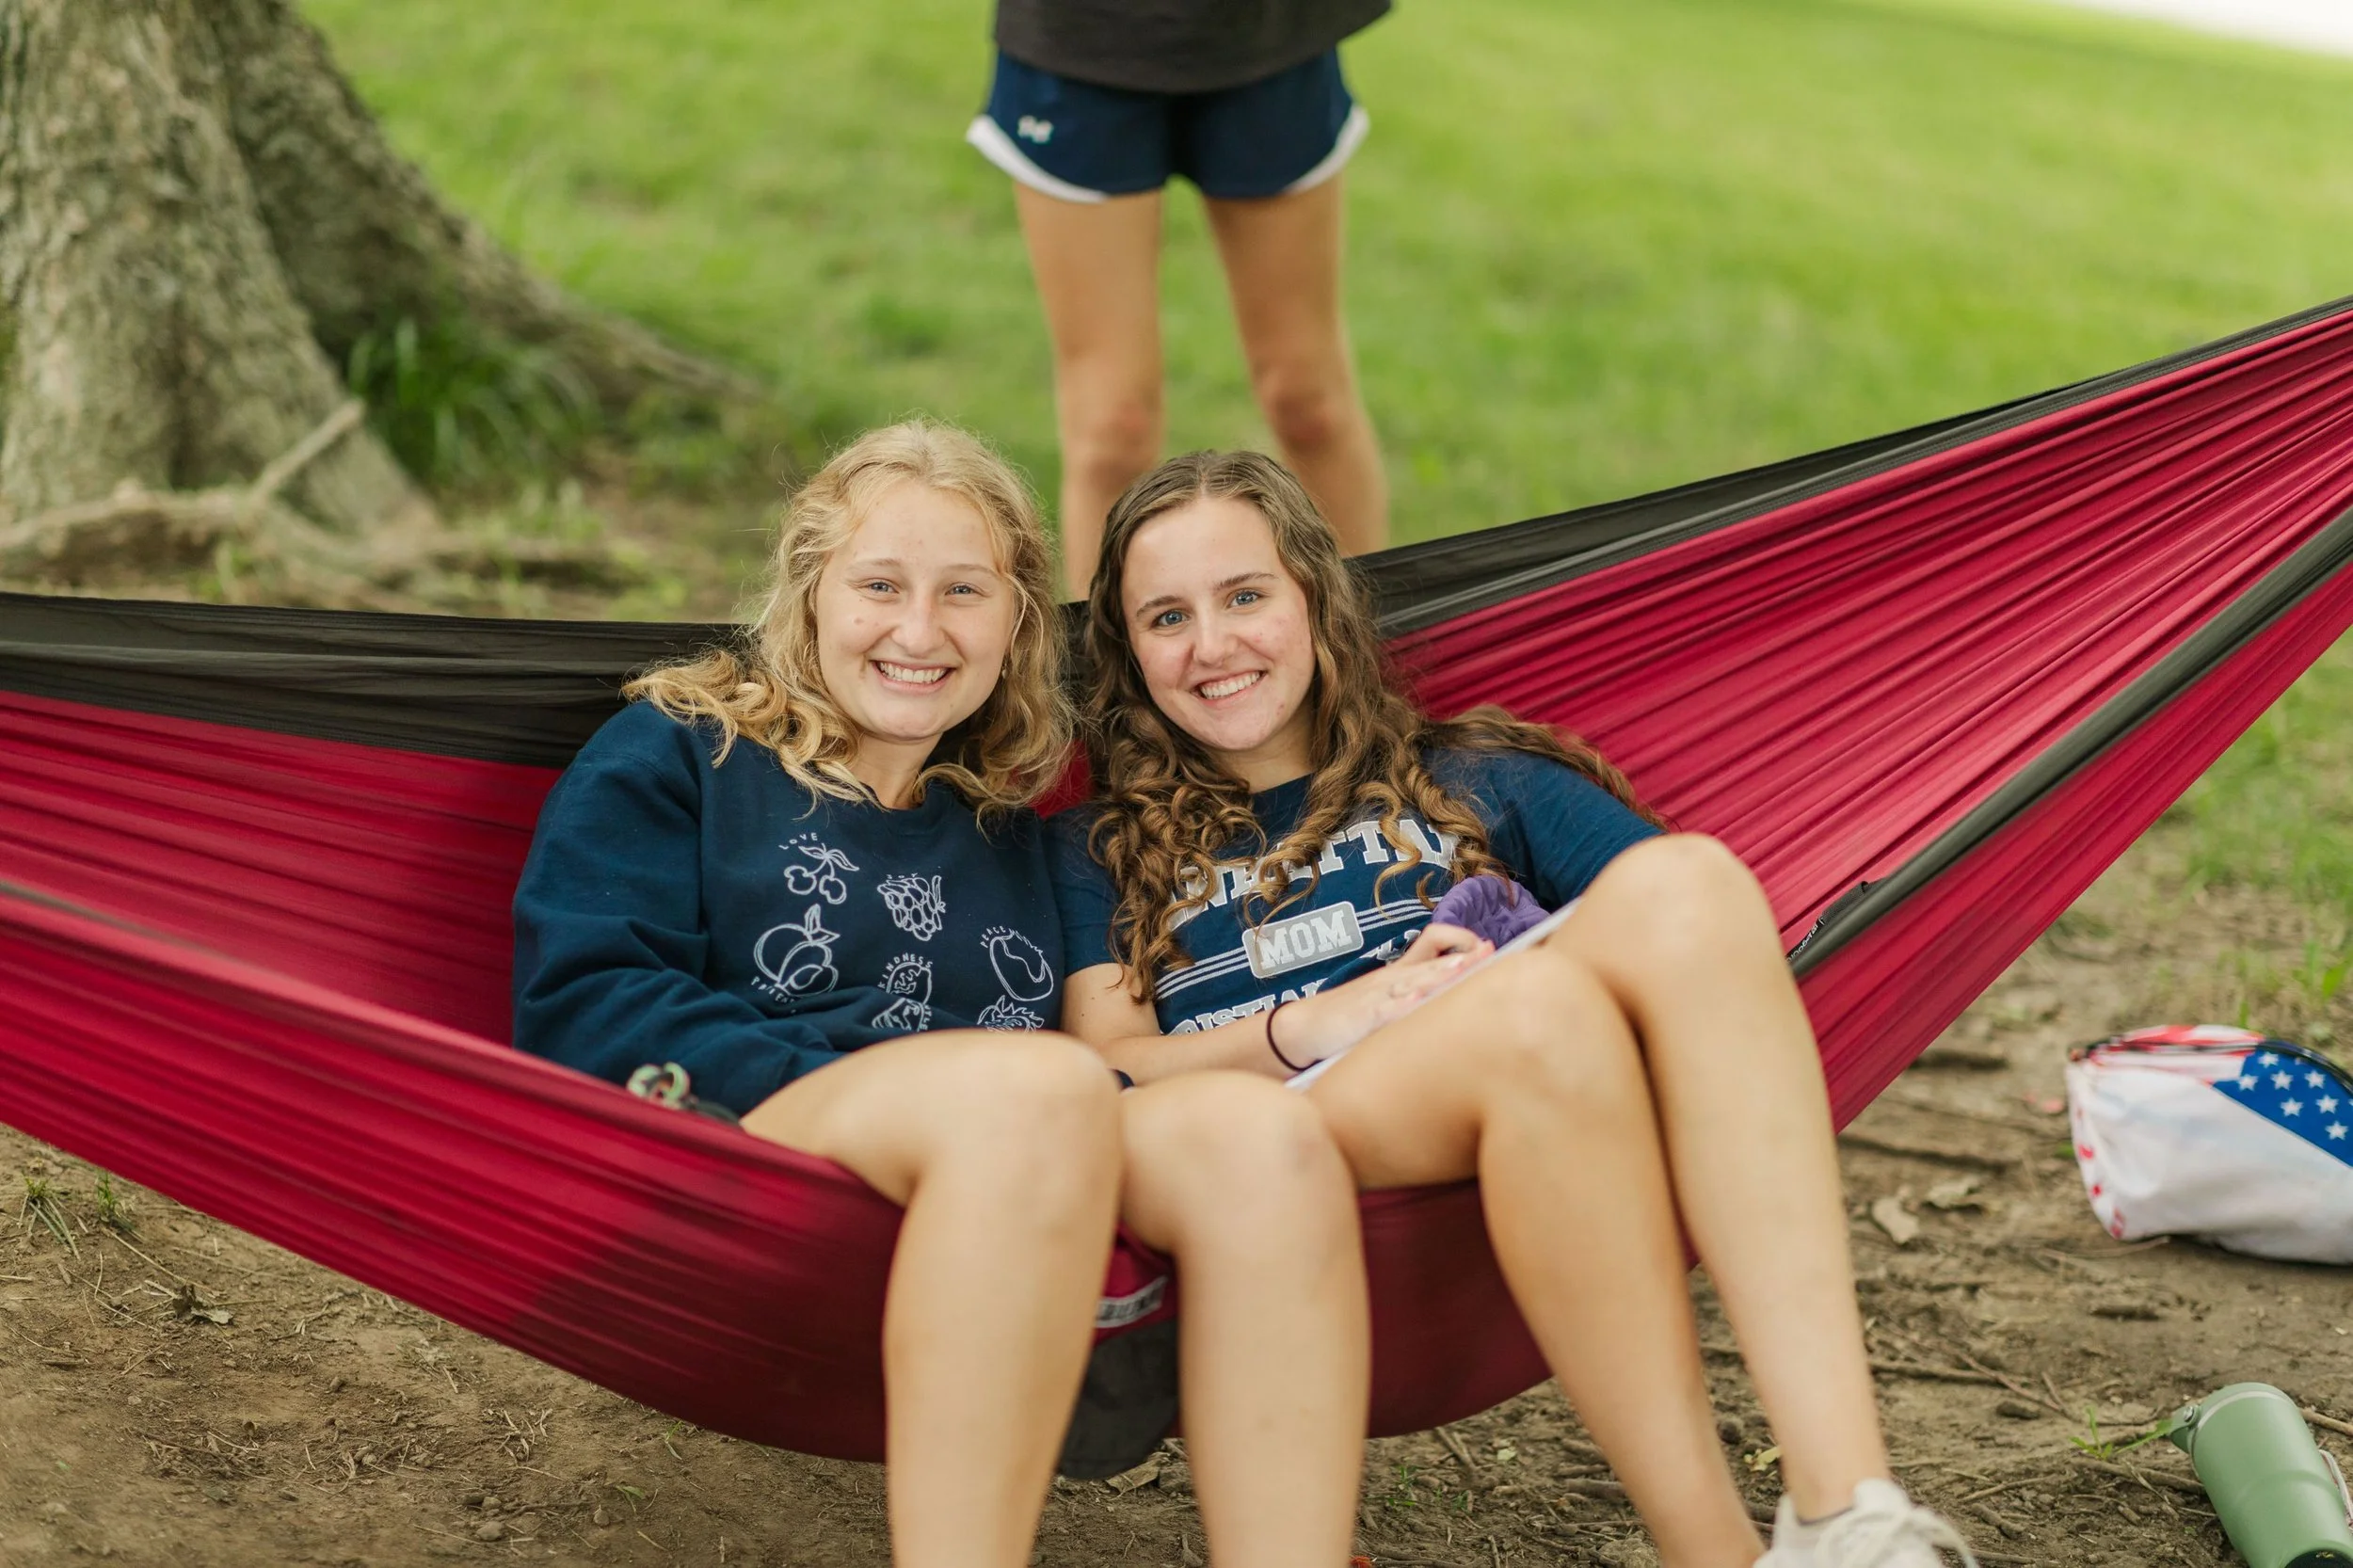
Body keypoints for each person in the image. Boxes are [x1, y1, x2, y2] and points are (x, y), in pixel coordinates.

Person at [1054, 449, 1979, 1568]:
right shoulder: (1100, 848)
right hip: (1264, 1133)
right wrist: (1325, 1020)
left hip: (1516, 1090)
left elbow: (1706, 966)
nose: (1212, 645)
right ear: (1125, 650)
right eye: (1166, 616)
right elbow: (1109, 1071)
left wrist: (1482, 967)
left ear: (1315, 598)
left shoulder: (1478, 779)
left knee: (1685, 890)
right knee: (1536, 1012)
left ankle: (1843, 1512)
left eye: (1245, 595)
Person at [511, 424, 1372, 1568]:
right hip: (745, 1135)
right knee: (1028, 1087)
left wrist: (1295, 1034)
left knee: (1259, 1138)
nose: (919, 632)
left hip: (1017, 1151)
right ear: (809, 591)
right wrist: (922, 1091)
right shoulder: (683, 751)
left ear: (1017, 621)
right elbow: (585, 999)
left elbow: (1093, 1062)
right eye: (879, 585)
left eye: (963, 591)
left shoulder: (1010, 832)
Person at [968, 0, 1392, 593]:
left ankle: (1372, 663)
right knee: (1112, 431)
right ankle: (1108, 681)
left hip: (1270, 39)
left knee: (1308, 403)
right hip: (1079, 43)